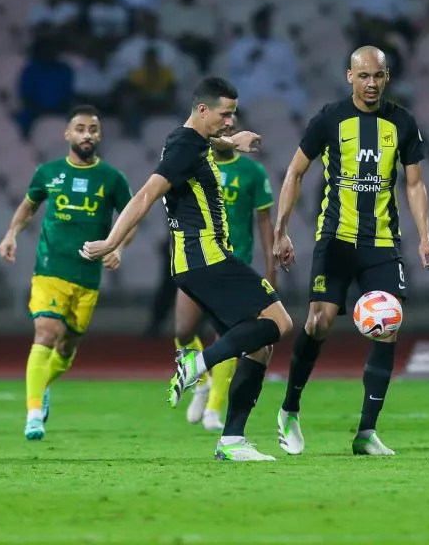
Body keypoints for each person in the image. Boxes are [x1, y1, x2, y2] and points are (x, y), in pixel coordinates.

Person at [80, 77, 293, 461]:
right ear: (202, 110)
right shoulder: (182, 146)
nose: (230, 121)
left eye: (234, 115)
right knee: (280, 322)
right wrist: (113, 241)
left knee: (259, 346)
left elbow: (201, 144)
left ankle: (231, 441)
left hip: (197, 262)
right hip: (206, 257)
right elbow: (146, 194)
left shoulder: (187, 140)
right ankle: (199, 362)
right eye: (225, 115)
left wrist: (233, 141)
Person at [273, 46, 429, 457]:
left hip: (382, 242)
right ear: (349, 76)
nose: (371, 84)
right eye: (363, 75)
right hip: (336, 237)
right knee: (319, 322)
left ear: (387, 77)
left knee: (389, 326)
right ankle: (289, 410)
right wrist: (280, 232)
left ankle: (366, 432)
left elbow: (414, 184)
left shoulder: (402, 122)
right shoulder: (330, 118)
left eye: (378, 76)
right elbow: (296, 171)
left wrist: (425, 237)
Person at [0, 105, 133, 441]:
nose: (87, 135)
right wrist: (11, 233)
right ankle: (32, 415)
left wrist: (119, 247)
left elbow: (131, 217)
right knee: (45, 333)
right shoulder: (48, 173)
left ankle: (42, 385)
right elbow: (29, 205)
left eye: (93, 129)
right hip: (50, 269)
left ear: (100, 135)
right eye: (81, 128)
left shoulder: (112, 179)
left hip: (87, 277)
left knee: (66, 349)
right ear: (68, 134)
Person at [180, 130, 276, 432]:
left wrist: (270, 268)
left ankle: (213, 409)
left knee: (228, 338)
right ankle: (203, 384)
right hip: (198, 260)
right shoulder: (194, 163)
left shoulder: (251, 171)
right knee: (182, 330)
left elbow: (264, 221)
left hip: (236, 262)